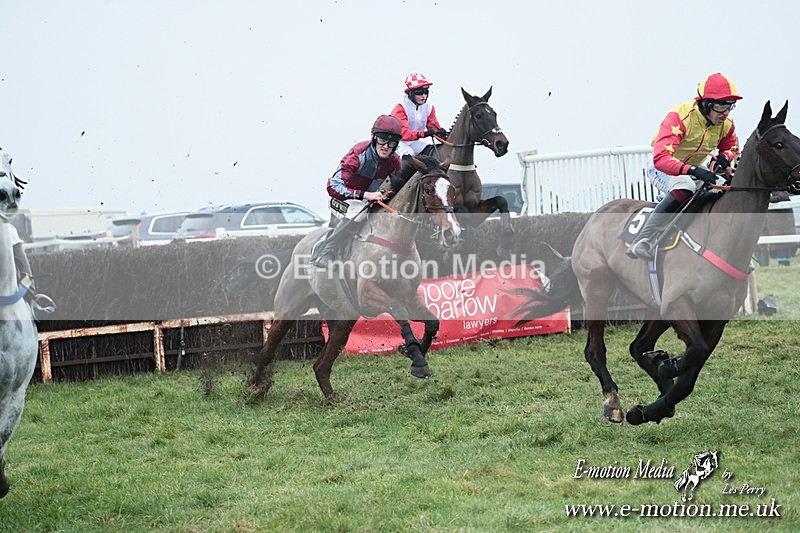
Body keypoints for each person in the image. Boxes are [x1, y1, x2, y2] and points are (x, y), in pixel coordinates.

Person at [626, 72, 742, 260]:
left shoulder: (726, 124)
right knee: (685, 186)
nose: (726, 113)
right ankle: (643, 239)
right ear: (706, 104)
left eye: (730, 106)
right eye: (721, 106)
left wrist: (724, 158)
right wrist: (694, 171)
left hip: (693, 167)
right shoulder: (680, 117)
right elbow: (662, 158)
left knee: (722, 186)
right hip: (663, 166)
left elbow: (731, 146)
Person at [311, 115, 403, 268]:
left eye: (391, 142)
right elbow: (333, 187)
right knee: (359, 211)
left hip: (367, 200)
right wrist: (364, 195)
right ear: (374, 138)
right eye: (382, 140)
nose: (386, 146)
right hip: (340, 199)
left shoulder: (394, 161)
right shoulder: (358, 155)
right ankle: (325, 251)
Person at [390, 73, 447, 157]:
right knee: (409, 154)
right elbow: (403, 134)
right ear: (410, 93)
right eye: (419, 93)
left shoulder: (429, 108)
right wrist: (423, 134)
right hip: (397, 142)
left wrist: (441, 133)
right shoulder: (400, 108)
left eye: (426, 92)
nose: (423, 96)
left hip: (414, 142)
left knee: (432, 151)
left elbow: (434, 127)